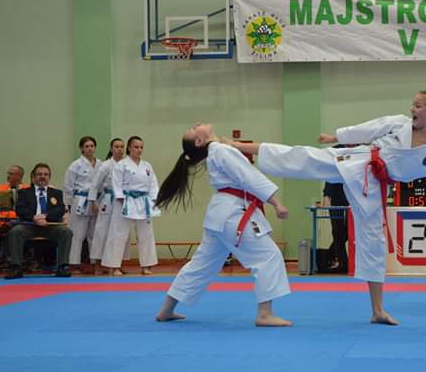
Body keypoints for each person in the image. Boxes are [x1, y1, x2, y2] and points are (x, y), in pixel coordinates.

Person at [232, 90, 426, 325]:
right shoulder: (399, 124)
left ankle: (377, 310)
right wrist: (336, 137)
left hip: (374, 188)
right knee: (306, 157)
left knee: (374, 241)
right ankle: (241, 147)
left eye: (417, 106)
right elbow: (369, 128)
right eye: (412, 104)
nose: (412, 109)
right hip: (358, 162)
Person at [154, 123, 292, 326]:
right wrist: (276, 202)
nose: (196, 124)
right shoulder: (219, 150)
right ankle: (265, 314)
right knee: (268, 256)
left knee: (201, 265)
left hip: (219, 215)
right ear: (199, 141)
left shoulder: (218, 150)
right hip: (232, 214)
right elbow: (250, 177)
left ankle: (166, 310)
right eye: (193, 129)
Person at [101, 136, 159, 276]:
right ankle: (114, 266)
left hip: (143, 202)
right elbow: (116, 184)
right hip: (125, 201)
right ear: (129, 148)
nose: (139, 150)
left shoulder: (147, 166)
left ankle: (146, 265)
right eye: (136, 147)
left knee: (146, 234)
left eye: (141, 147)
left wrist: (153, 199)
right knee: (119, 234)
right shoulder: (121, 165)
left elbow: (153, 184)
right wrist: (122, 198)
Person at [5, 163, 72, 279]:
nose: (43, 177)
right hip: (29, 225)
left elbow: (60, 210)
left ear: (49, 177)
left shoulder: (56, 193)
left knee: (66, 232)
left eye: (46, 174)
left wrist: (45, 217)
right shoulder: (24, 192)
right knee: (15, 232)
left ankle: (62, 267)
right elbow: (20, 209)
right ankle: (16, 267)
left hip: (50, 226)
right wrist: (34, 217)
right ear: (33, 177)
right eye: (39, 174)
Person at [87, 138, 130, 274]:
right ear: (111, 149)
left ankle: (117, 263)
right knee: (102, 232)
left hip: (123, 201)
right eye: (116, 146)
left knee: (121, 232)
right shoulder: (105, 166)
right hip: (108, 200)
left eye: (122, 146)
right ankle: (97, 264)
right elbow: (95, 185)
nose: (119, 149)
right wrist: (93, 202)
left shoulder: (127, 165)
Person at [64, 136, 102, 270]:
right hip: (80, 201)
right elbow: (68, 186)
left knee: (94, 233)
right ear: (81, 148)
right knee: (77, 233)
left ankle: (95, 261)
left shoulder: (101, 164)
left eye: (92, 146)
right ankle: (73, 262)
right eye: (86, 146)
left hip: (96, 201)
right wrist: (69, 205)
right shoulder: (75, 165)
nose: (90, 149)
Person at [0, 165, 29, 264]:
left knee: (10, 227)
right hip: (0, 221)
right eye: (8, 173)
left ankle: (12, 259)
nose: (8, 176)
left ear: (19, 176)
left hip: (19, 222)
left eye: (10, 174)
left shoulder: (27, 190)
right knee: (3, 227)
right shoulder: (0, 189)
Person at [322, 179, 349, 273]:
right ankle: (343, 263)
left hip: (352, 198)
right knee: (337, 231)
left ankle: (328, 255)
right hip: (335, 199)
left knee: (349, 231)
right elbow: (329, 178)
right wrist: (326, 196)